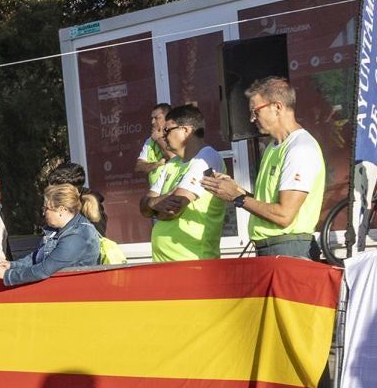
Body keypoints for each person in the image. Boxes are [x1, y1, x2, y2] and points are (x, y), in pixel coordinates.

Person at [201, 77, 325, 258]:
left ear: (277, 107)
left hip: (289, 250)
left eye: (255, 111)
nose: (252, 119)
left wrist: (238, 197)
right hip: (273, 248)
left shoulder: (300, 148)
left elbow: (284, 215)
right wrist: (235, 189)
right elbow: (268, 204)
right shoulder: (273, 147)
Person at [139, 103, 226, 262]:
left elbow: (173, 209)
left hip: (192, 261)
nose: (163, 136)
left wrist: (152, 205)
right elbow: (143, 208)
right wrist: (154, 203)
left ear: (185, 130)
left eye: (167, 130)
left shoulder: (206, 157)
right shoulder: (172, 163)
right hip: (163, 263)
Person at [0, 184, 102, 285]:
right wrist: (12, 265)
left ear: (61, 210)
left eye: (46, 208)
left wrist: (8, 276)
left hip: (75, 296)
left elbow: (44, 269)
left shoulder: (78, 236)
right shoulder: (58, 230)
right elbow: (37, 257)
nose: (44, 213)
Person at [135, 102, 172, 178]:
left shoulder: (176, 135)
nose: (152, 122)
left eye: (156, 118)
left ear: (168, 118)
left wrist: (159, 140)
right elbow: (139, 167)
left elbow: (172, 157)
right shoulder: (150, 140)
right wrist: (157, 164)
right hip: (156, 189)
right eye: (152, 118)